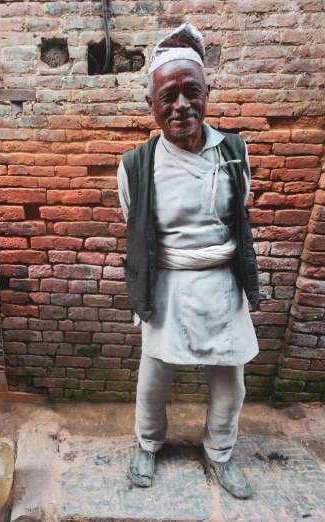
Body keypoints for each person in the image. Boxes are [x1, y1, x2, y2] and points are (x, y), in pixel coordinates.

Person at [117, 23, 260, 498]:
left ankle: (220, 452)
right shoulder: (136, 165)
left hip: (222, 284)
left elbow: (237, 215)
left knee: (230, 382)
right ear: (151, 105)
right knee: (154, 377)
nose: (181, 106)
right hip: (169, 284)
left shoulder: (234, 153)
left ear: (207, 94)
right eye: (168, 95)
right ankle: (148, 444)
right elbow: (138, 228)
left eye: (191, 92)